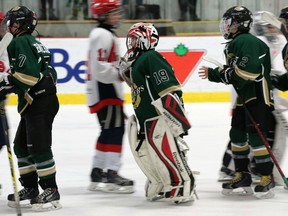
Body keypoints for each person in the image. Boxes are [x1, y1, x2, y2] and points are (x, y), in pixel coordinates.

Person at [198, 6, 275, 199]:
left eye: (230, 22)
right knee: (237, 135)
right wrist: (221, 74)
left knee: (257, 138)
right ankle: (242, 175)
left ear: (241, 24)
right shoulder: (235, 43)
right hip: (244, 98)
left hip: (258, 97)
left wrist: (217, 74)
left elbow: (249, 72)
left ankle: (266, 176)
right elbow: (233, 74)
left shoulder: (246, 41)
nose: (226, 26)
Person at [119, 22, 196, 203]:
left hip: (159, 118)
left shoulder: (151, 57)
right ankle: (163, 182)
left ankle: (183, 184)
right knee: (153, 155)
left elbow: (168, 88)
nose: (131, 43)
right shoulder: (138, 62)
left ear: (146, 39)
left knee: (168, 152)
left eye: (135, 39)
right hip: (146, 120)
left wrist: (176, 118)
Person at [0, 6, 61, 211]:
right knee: (21, 146)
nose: (10, 26)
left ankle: (51, 190)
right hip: (37, 100)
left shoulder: (20, 42)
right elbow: (49, 71)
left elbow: (29, 76)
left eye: (14, 22)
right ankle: (31, 188)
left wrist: (7, 82)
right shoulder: (34, 41)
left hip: (39, 101)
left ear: (23, 24)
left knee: (39, 147)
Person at [218, 11, 287, 184]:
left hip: (261, 89)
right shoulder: (257, 41)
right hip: (254, 91)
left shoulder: (276, 41)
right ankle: (234, 167)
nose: (275, 28)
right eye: (269, 26)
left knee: (256, 129)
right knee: (249, 129)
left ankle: (251, 167)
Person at [86, 0, 134, 194]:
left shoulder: (104, 33)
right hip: (105, 90)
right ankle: (112, 173)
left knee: (108, 131)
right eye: (113, 12)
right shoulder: (102, 34)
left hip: (105, 90)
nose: (117, 15)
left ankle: (97, 172)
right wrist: (121, 73)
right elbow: (99, 67)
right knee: (115, 130)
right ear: (102, 15)